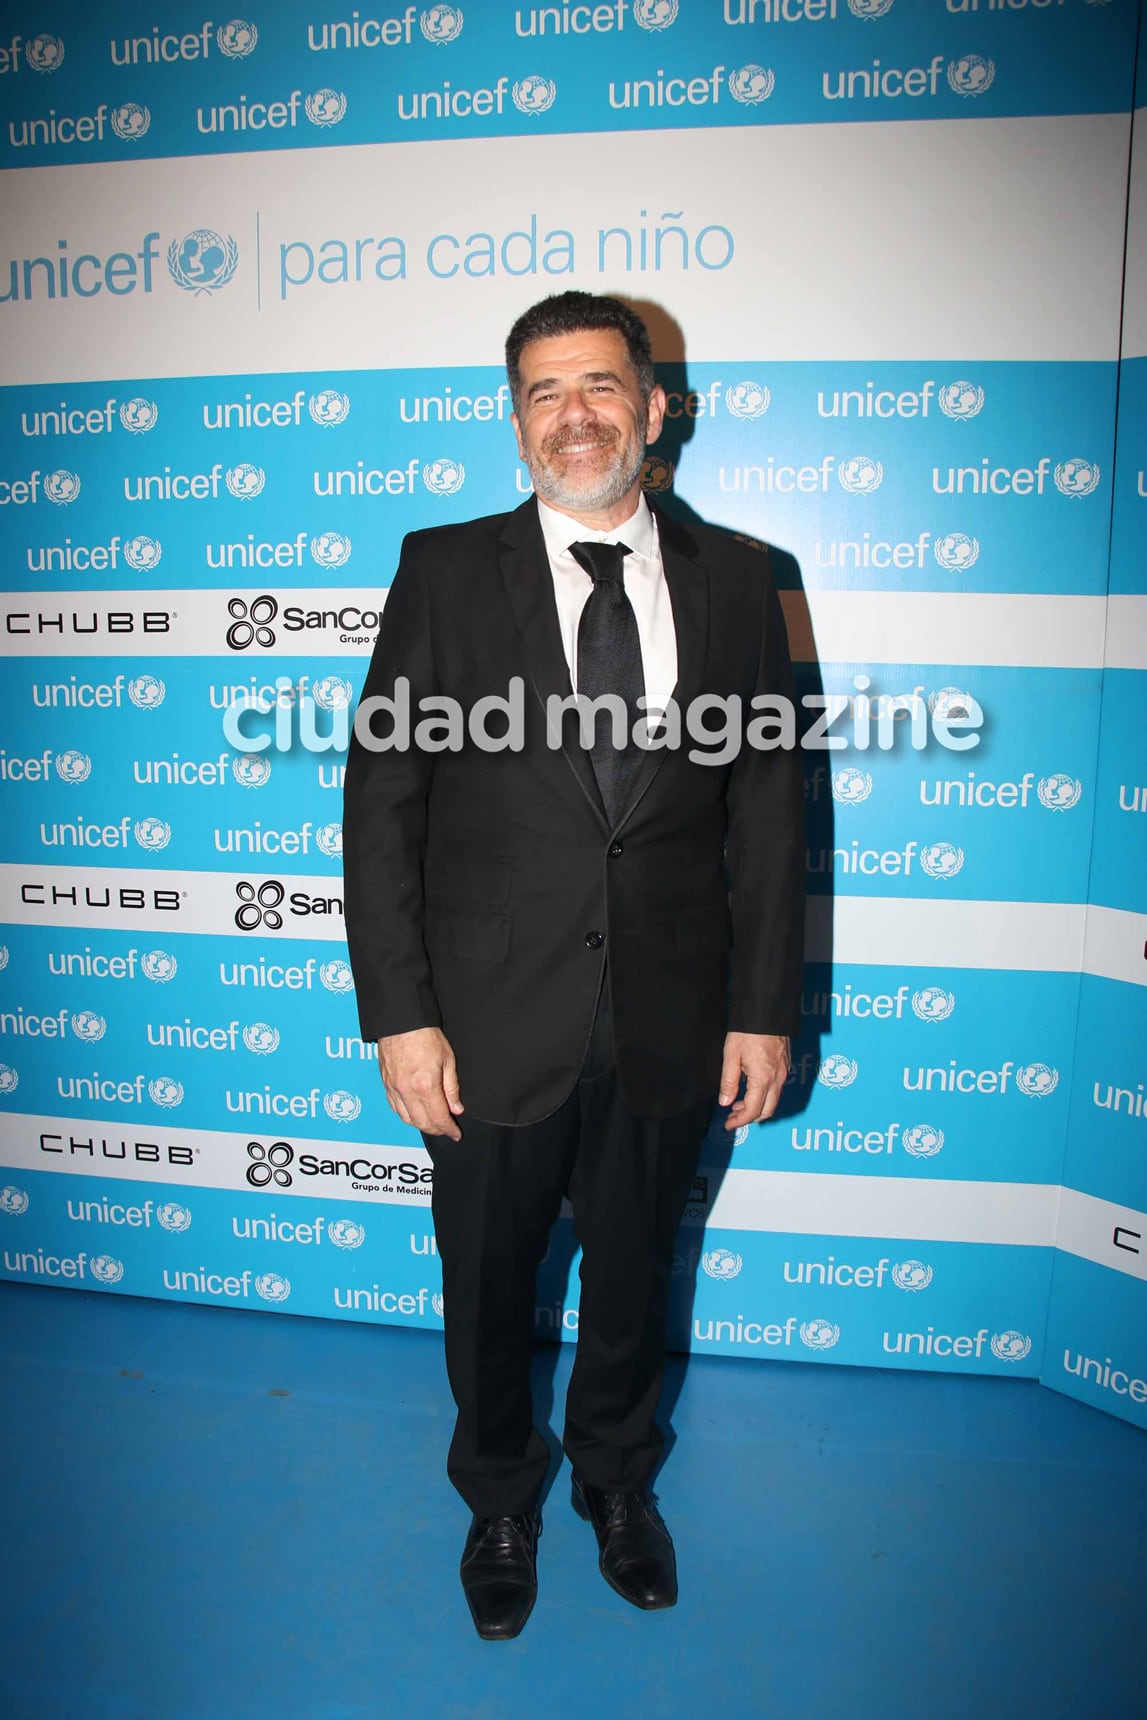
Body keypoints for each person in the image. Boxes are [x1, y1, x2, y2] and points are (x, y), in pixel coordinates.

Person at [343, 291, 805, 1639]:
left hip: (670, 1011)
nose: (574, 417)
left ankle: (614, 1479)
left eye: (600, 385)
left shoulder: (742, 578)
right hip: (486, 1021)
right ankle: (499, 1494)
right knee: (487, 1281)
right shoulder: (442, 570)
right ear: (515, 420)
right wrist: (401, 1017)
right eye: (543, 394)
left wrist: (761, 1009)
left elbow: (770, 813)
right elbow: (384, 807)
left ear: (656, 408)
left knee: (633, 1274)